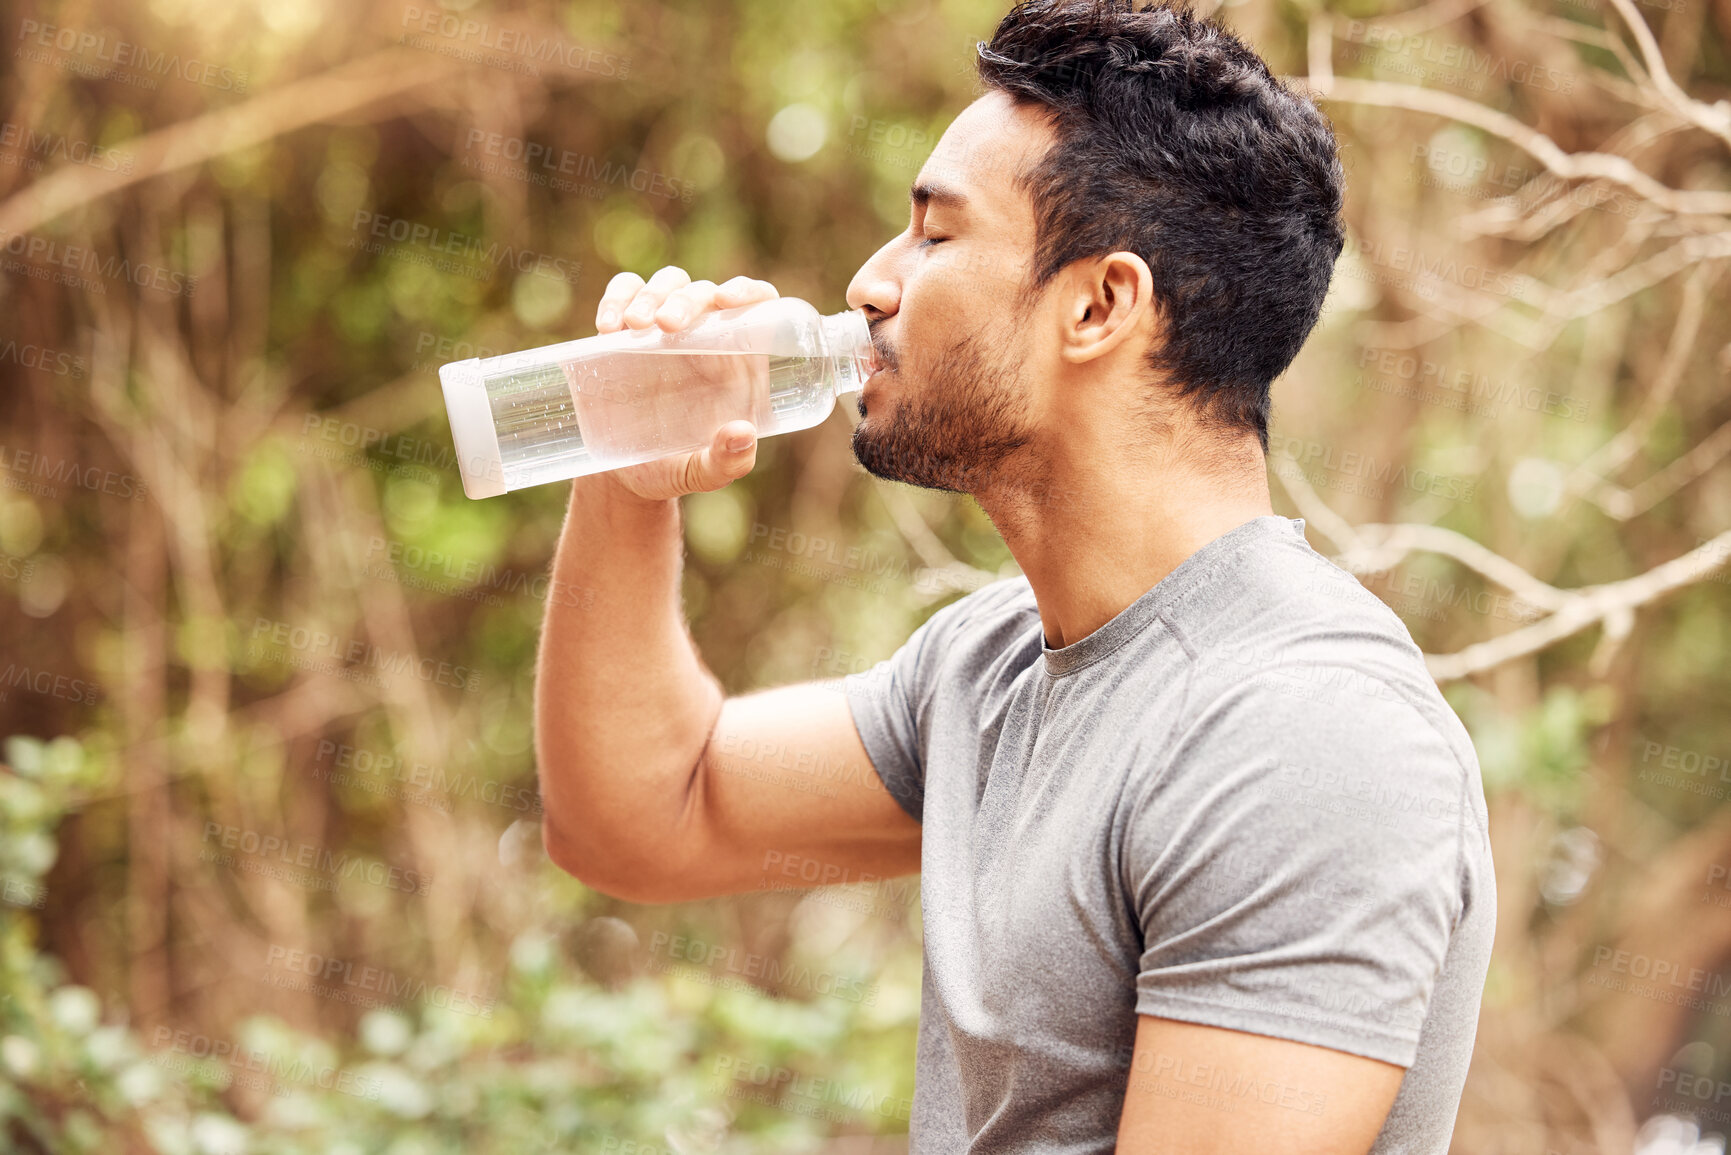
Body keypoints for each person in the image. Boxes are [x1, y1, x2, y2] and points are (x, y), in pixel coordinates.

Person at [533, 0, 1496, 1151]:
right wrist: (626, 474)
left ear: (1099, 305)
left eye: (934, 237)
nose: (869, 285)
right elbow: (642, 817)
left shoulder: (1301, 731)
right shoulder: (987, 667)